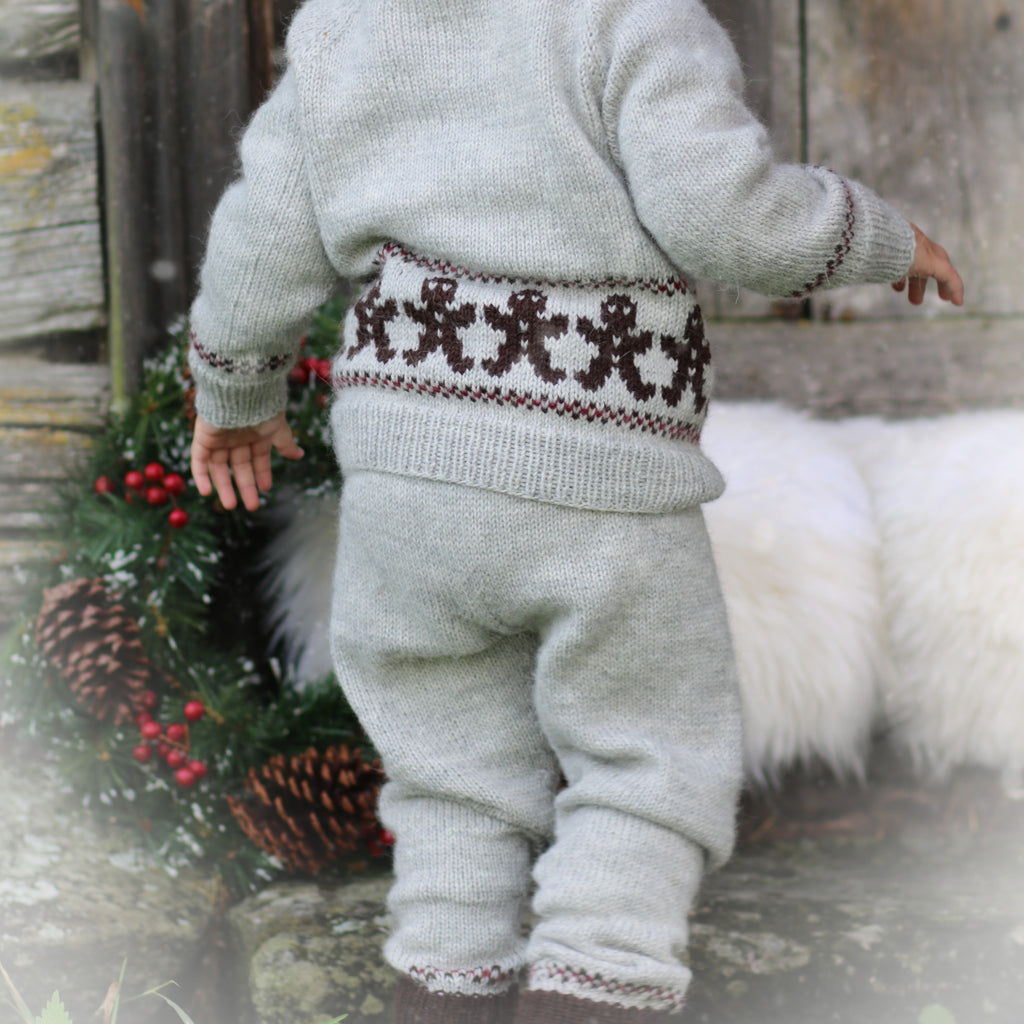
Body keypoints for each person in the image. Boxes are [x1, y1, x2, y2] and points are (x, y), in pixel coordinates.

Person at [187, 1, 964, 1021]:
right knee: (646, 754)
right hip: (600, 479)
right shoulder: (632, 18)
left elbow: (263, 235)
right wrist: (876, 235)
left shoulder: (347, 28)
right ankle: (597, 981)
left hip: (412, 482)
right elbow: (723, 215)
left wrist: (235, 394)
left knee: (447, 770)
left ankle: (445, 987)